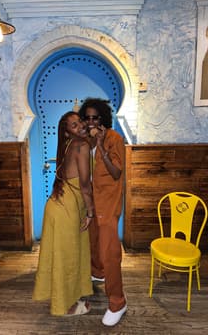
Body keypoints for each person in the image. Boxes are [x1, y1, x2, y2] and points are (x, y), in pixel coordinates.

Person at [32, 111, 95, 316]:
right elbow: (85, 185)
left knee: (65, 256)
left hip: (57, 207)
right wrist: (91, 213)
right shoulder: (82, 146)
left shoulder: (69, 145)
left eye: (80, 122)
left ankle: (69, 296)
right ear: (68, 133)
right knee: (67, 258)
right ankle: (65, 307)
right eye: (74, 125)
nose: (81, 126)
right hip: (66, 210)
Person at [79, 98, 127, 326]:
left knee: (110, 252)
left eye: (95, 117)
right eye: (87, 117)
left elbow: (116, 173)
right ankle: (97, 272)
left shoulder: (114, 138)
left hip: (108, 203)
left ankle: (118, 302)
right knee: (93, 241)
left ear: (103, 119)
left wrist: (103, 148)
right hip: (93, 202)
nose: (90, 122)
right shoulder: (87, 141)